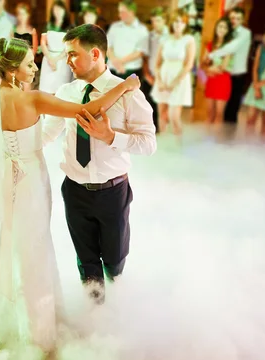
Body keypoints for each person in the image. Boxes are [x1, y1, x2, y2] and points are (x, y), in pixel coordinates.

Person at [0, 37, 140, 357]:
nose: (35, 67)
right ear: (12, 71)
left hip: (3, 176)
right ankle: (39, 328)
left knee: (6, 241)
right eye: (29, 63)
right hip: (29, 180)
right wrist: (123, 87)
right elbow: (87, 110)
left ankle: (0, 311)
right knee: (34, 247)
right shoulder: (33, 100)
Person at [42, 24, 156, 305]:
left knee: (115, 262)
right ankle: (96, 318)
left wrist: (111, 137)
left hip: (112, 193)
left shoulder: (128, 94)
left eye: (72, 54)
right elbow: (48, 133)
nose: (66, 61)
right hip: (75, 190)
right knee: (87, 264)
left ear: (95, 53)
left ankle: (118, 307)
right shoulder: (67, 91)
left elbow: (149, 144)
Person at [151, 9, 196, 137]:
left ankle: (178, 147)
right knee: (162, 114)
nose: (178, 24)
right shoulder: (165, 39)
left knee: (174, 116)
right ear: (172, 23)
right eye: (176, 21)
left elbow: (189, 64)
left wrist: (175, 82)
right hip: (164, 77)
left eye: (182, 22)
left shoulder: (189, 39)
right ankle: (164, 145)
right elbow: (157, 63)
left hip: (179, 79)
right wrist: (159, 80)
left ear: (186, 24)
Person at [201, 17, 234, 130]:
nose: (221, 29)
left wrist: (209, 69)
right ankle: (207, 140)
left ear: (228, 30)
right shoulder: (210, 45)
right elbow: (203, 64)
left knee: (219, 114)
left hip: (223, 81)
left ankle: (215, 143)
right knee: (209, 113)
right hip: (211, 80)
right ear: (216, 28)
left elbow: (223, 67)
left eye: (225, 27)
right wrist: (208, 69)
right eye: (220, 26)